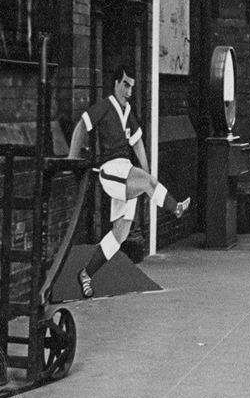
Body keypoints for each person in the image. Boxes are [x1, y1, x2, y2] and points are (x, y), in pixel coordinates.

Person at [68, 64, 190, 298]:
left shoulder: (127, 111)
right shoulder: (105, 106)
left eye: (132, 86)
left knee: (120, 234)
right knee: (147, 184)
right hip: (110, 170)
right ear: (115, 83)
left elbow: (137, 142)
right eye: (125, 84)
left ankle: (86, 274)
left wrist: (147, 175)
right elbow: (82, 125)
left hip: (126, 171)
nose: (128, 90)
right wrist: (72, 160)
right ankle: (175, 208)